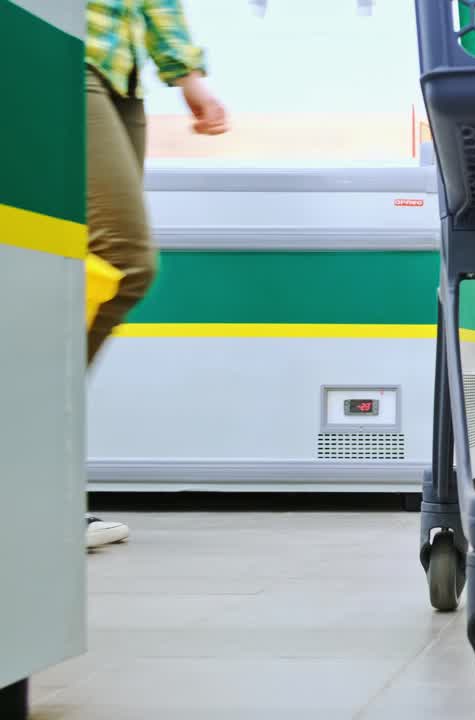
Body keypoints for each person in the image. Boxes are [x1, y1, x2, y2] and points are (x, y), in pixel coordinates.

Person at [84, 0, 228, 548]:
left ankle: (39, 481)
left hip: (117, 75)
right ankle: (30, 468)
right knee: (124, 260)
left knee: (77, 268)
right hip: (53, 53)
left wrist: (186, 75)